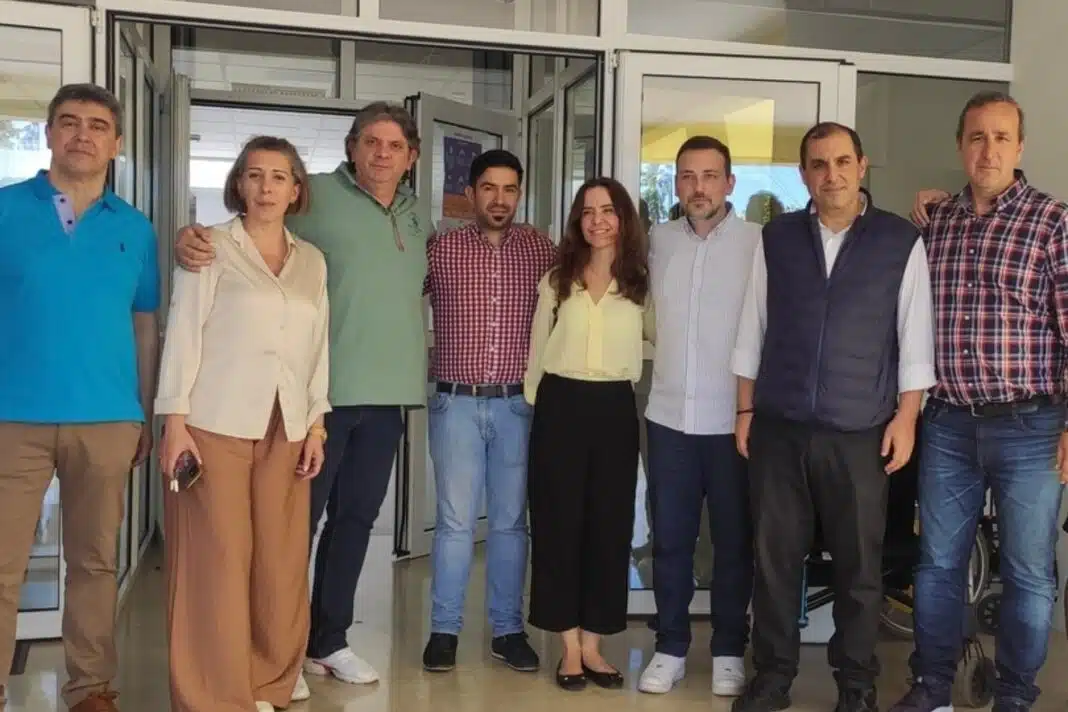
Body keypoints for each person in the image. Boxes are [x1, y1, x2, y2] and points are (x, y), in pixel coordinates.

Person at [174, 101, 430, 686]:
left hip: (387, 397)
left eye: (394, 146)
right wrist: (191, 238)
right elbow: (251, 231)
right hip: (313, 400)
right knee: (290, 532)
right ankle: (274, 655)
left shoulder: (418, 216)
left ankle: (328, 641)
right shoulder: (313, 196)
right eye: (370, 142)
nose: (382, 154)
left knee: (356, 521)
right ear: (351, 148)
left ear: (412, 157)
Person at [730, 122, 935, 712]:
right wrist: (745, 408)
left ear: (862, 166)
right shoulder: (778, 238)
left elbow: (915, 337)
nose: (832, 174)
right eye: (819, 164)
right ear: (804, 175)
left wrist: (906, 418)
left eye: (843, 161)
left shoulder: (898, 240)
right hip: (779, 427)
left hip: (860, 432)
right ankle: (772, 680)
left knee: (859, 568)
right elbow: (752, 327)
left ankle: (857, 685)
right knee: (774, 563)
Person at [889, 92, 1068, 712]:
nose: (988, 150)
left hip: (1032, 425)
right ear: (960, 146)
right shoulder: (937, 222)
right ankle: (932, 687)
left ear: (1020, 147)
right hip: (948, 424)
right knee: (938, 564)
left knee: (1028, 571)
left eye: (1001, 137)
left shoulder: (1053, 223)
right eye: (976, 137)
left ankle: (1015, 695)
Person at [0, 83, 160, 712]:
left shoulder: (136, 229)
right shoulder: (5, 209)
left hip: (108, 419)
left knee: (95, 564)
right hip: (14, 416)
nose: (82, 135)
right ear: (49, 134)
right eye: (69, 122)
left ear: (116, 144)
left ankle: (90, 689)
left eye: (97, 126)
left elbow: (144, 324)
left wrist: (145, 410)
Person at [156, 136, 330, 712]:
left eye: (279, 177)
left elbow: (317, 349)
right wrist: (174, 422)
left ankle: (267, 682)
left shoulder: (312, 261)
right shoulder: (209, 247)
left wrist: (316, 424)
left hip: (288, 425)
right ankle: (213, 695)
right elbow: (183, 331)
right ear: (238, 184)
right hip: (214, 423)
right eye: (254, 175)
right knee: (218, 564)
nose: (266, 187)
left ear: (296, 190)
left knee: (279, 563)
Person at [421, 149, 555, 672]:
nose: (500, 199)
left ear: (519, 194)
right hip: (455, 402)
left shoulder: (541, 250)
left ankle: (507, 630)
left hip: (517, 406)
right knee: (455, 522)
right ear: (470, 193)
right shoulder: (441, 250)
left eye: (510, 189)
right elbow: (393, 293)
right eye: (489, 188)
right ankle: (444, 631)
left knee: (510, 523)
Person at [637, 135, 760, 697]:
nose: (698, 187)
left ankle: (730, 649)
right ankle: (670, 648)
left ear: (729, 183)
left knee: (733, 543)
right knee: (670, 541)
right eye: (687, 176)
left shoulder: (759, 244)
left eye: (710, 176)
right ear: (676, 183)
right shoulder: (656, 242)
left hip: (733, 420)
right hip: (668, 418)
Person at [524, 176, 654, 692]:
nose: (598, 220)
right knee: (558, 527)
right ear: (578, 221)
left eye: (608, 210)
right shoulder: (558, 280)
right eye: (588, 211)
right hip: (560, 405)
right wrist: (539, 406)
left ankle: (595, 645)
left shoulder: (641, 282)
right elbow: (537, 350)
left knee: (609, 527)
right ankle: (569, 648)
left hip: (615, 408)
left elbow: (659, 340)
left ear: (623, 218)